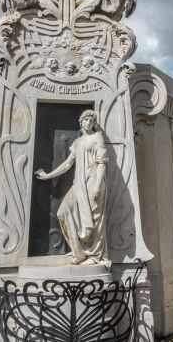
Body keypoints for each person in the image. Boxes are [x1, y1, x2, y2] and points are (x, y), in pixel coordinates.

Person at [35, 110, 109, 266]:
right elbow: (68, 164)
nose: (88, 122)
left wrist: (96, 186)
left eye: (91, 120)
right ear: (80, 122)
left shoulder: (98, 137)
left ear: (94, 123)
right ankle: (79, 252)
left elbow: (102, 163)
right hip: (79, 184)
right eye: (86, 120)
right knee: (63, 212)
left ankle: (95, 255)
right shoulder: (77, 142)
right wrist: (48, 175)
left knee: (94, 222)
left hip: (92, 182)